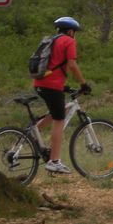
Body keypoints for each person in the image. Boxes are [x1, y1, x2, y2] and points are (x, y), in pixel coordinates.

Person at [32, 16, 90, 175]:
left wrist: (62, 85)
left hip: (40, 84)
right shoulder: (69, 41)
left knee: (57, 112)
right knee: (59, 120)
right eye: (75, 32)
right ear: (71, 31)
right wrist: (83, 84)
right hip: (52, 86)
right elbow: (72, 64)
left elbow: (52, 65)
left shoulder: (52, 40)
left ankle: (34, 132)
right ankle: (54, 161)